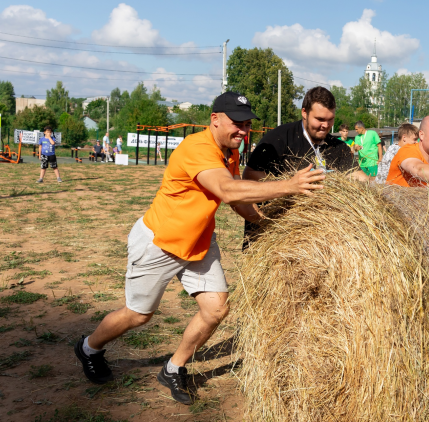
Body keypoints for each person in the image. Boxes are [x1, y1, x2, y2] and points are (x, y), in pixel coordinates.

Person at [74, 92, 327, 405]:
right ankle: (89, 348)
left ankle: (173, 367)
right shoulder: (197, 147)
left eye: (247, 125)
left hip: (199, 242)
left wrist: (267, 225)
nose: (243, 131)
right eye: (237, 123)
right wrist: (290, 185)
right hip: (160, 243)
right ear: (215, 119)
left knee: (216, 309)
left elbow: (235, 198)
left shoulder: (229, 151)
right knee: (138, 315)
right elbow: (226, 188)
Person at [242, 87, 368, 247]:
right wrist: (289, 184)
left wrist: (378, 186)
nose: (326, 125)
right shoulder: (278, 139)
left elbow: (355, 175)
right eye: (320, 119)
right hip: (273, 236)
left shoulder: (338, 147)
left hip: (316, 241)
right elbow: (250, 175)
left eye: (330, 119)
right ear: (304, 113)